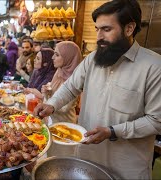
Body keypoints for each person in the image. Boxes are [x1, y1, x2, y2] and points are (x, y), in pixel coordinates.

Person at [33, 1, 161, 179]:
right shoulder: (92, 59)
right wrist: (52, 105)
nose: (98, 37)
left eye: (106, 29)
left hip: (126, 167)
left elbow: (156, 121)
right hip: (86, 159)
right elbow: (71, 87)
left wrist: (113, 131)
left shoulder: (154, 67)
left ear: (129, 28)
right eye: (97, 29)